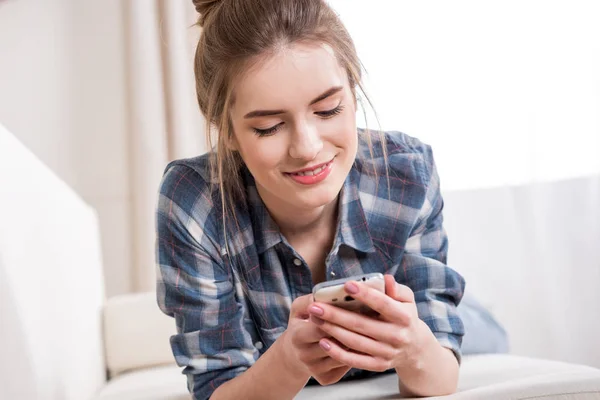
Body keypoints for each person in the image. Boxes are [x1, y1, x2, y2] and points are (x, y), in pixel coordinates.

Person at [156, 1, 508, 399]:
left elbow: (438, 378)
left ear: (354, 94)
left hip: (449, 318)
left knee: (485, 331)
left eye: (328, 109)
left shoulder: (408, 173)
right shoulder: (194, 201)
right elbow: (216, 388)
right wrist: (288, 360)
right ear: (229, 133)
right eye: (269, 127)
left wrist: (415, 347)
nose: (307, 148)